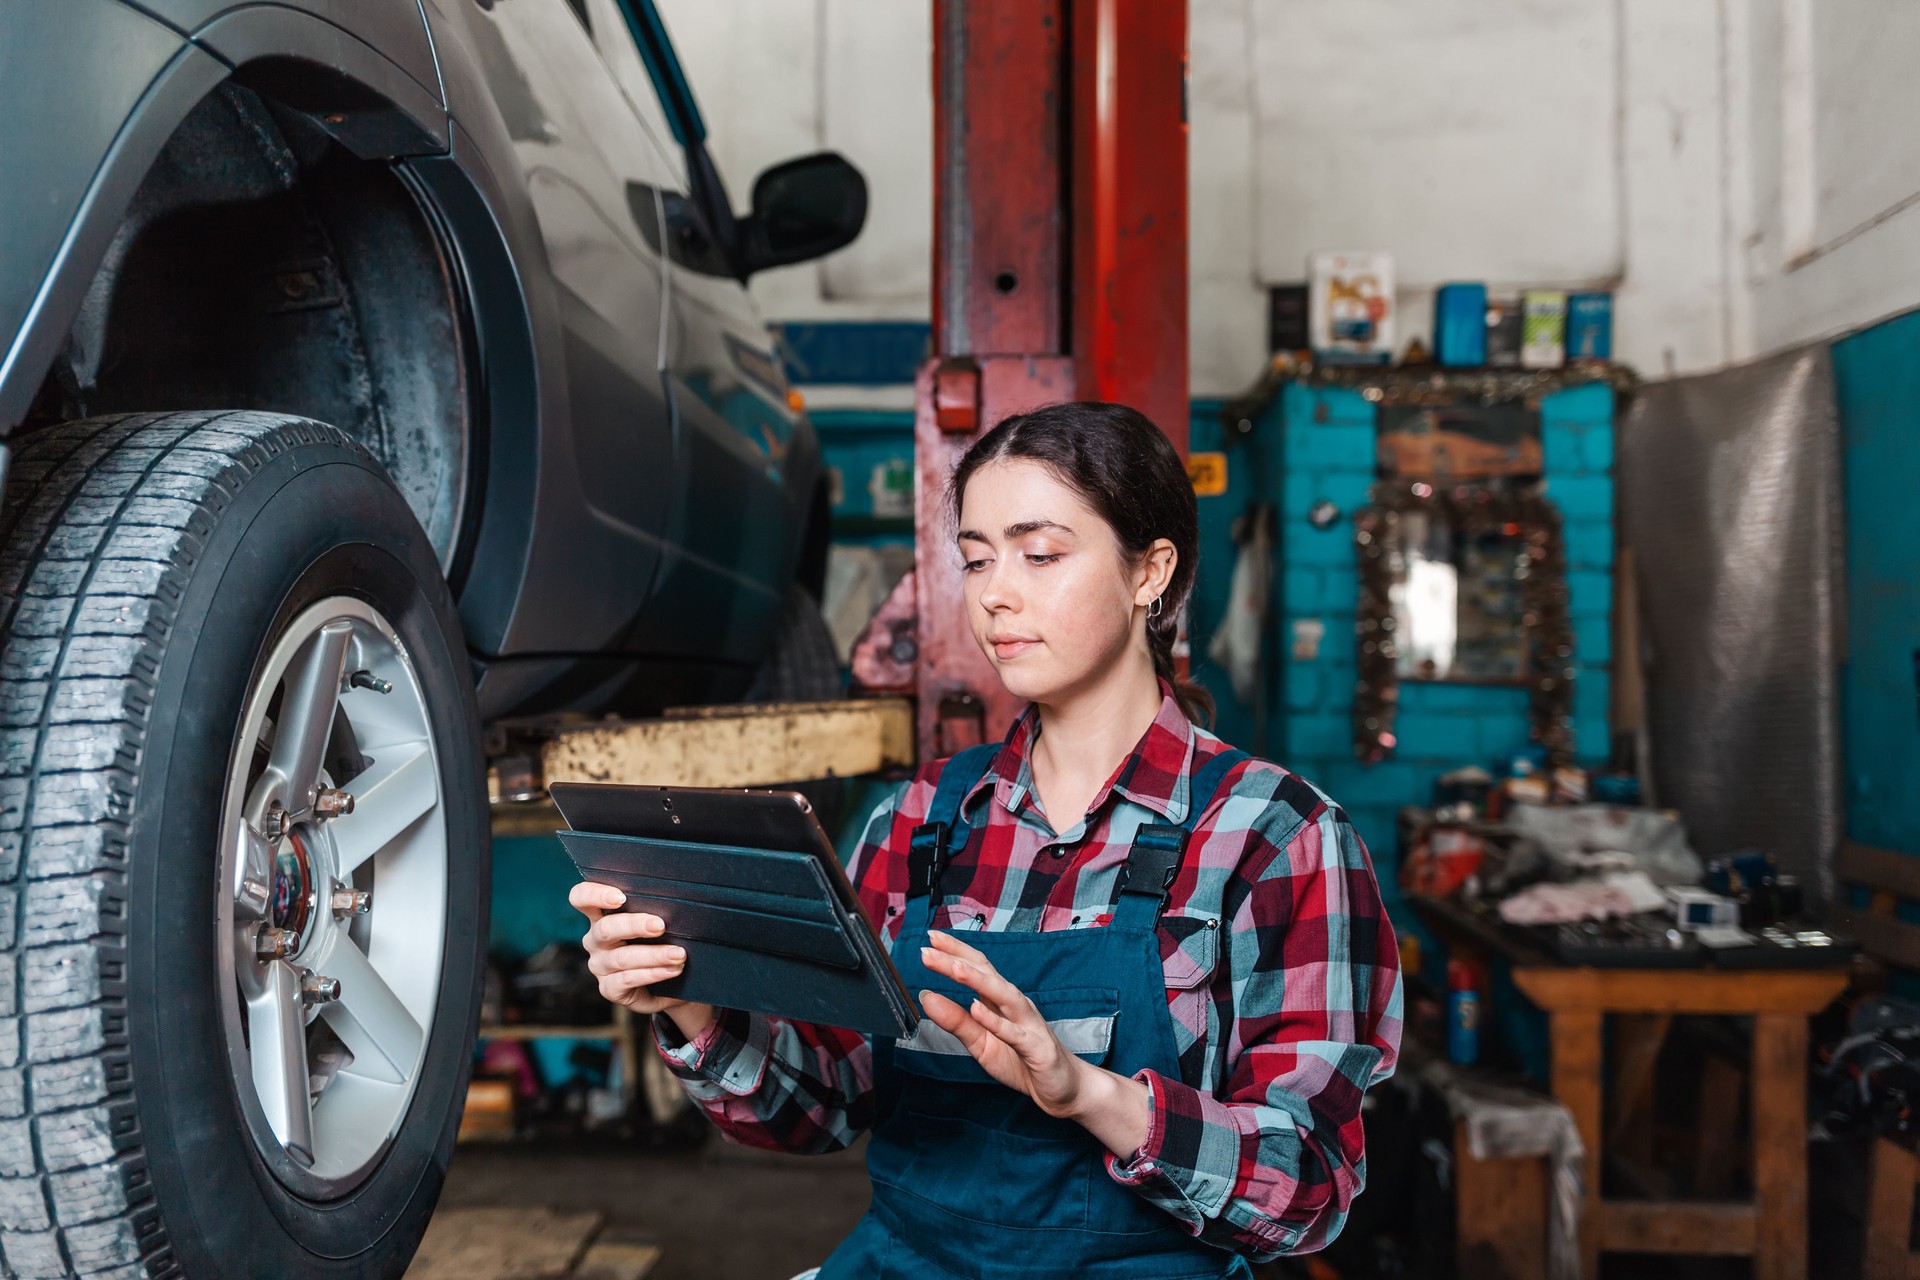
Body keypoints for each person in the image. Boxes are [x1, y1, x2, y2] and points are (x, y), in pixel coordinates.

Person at [570, 401, 1403, 1278]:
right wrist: (689, 999)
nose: (995, 593)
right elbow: (826, 1103)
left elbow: (1309, 1185)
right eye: (975, 560)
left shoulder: (1276, 839)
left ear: (1149, 572)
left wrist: (1090, 1095)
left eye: (1039, 554)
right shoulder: (919, 818)